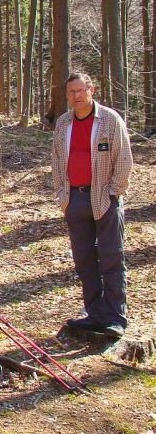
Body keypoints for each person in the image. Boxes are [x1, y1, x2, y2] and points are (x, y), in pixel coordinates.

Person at [51, 72, 133, 339]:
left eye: (80, 90)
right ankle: (95, 314)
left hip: (104, 198)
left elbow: (124, 160)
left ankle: (115, 318)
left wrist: (112, 193)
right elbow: (56, 160)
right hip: (75, 198)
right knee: (84, 261)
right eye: (71, 92)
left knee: (111, 257)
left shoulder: (109, 120)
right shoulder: (64, 123)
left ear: (91, 90)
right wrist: (63, 195)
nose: (76, 96)